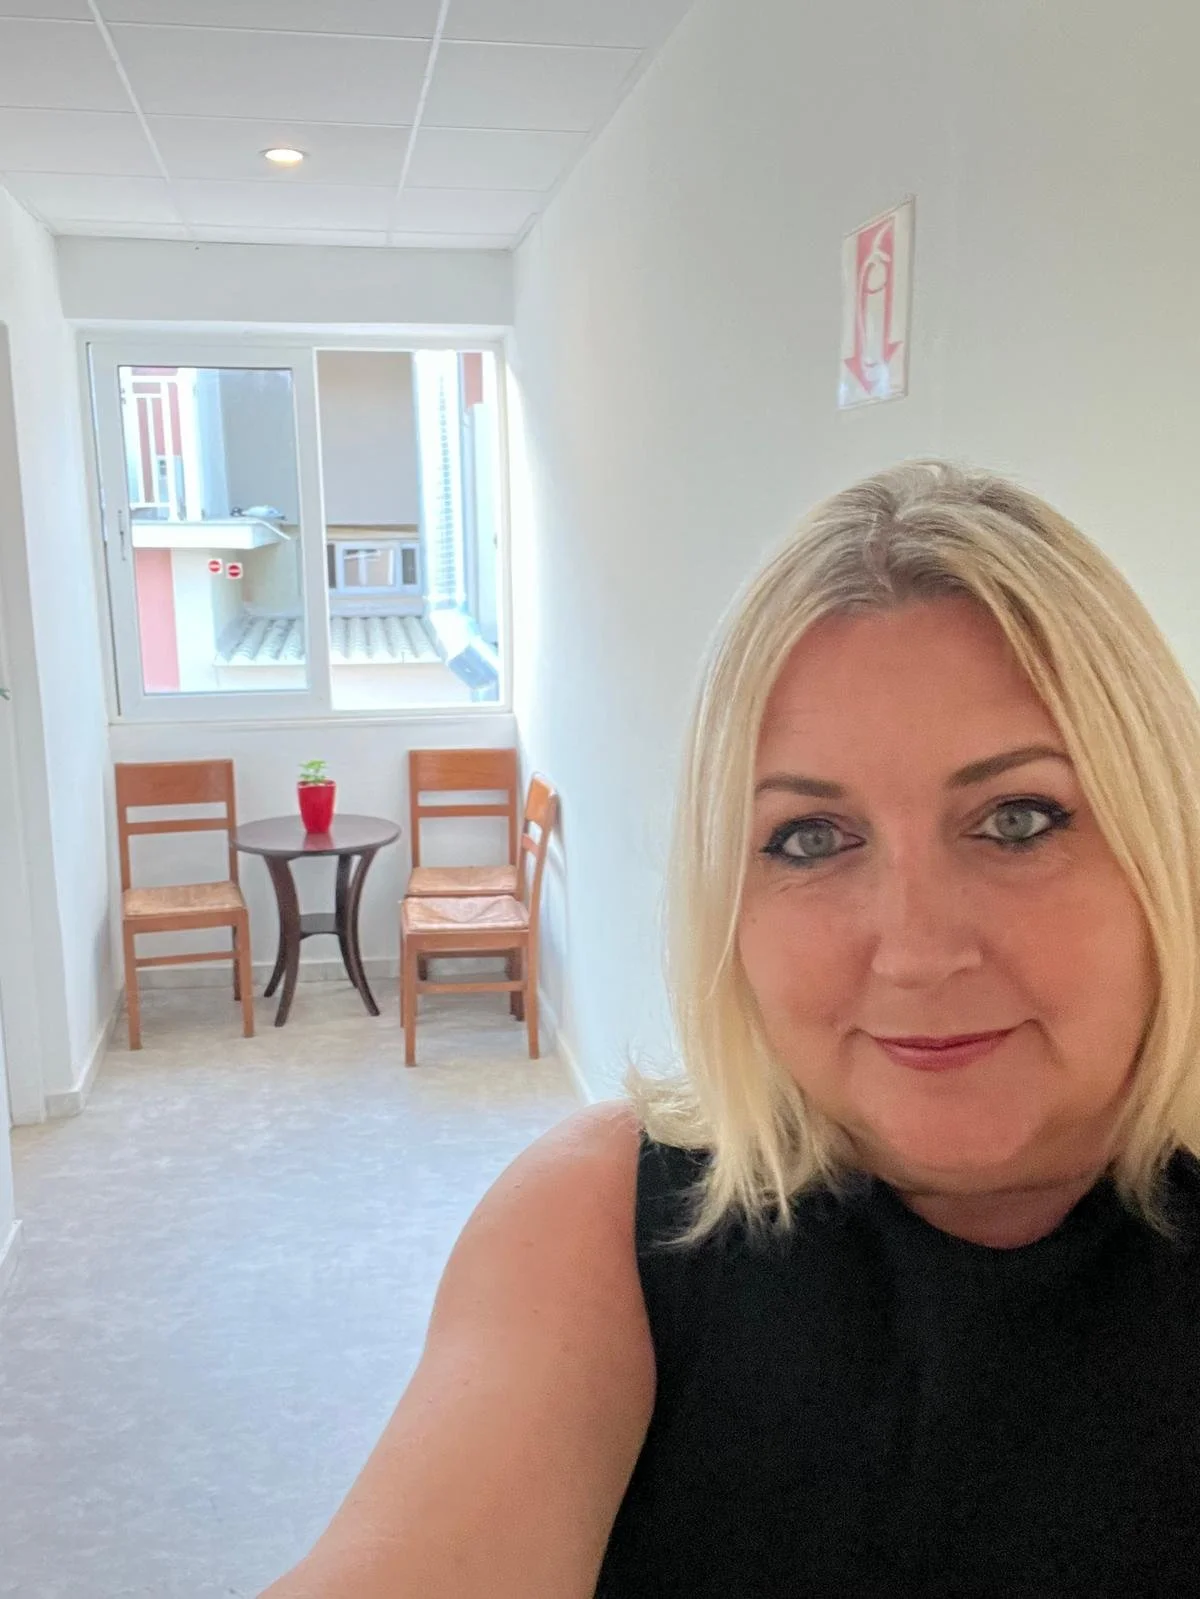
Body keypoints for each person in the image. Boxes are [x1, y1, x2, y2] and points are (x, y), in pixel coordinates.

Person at [262, 461, 1200, 1597]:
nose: (913, 948)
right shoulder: (606, 1228)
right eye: (810, 838)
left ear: (1164, 838)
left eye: (1018, 819)